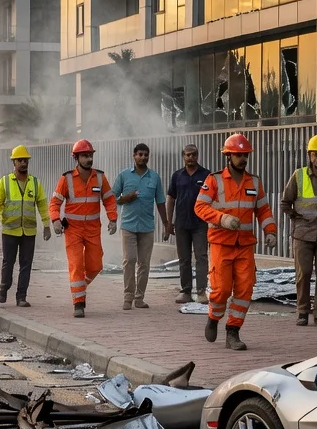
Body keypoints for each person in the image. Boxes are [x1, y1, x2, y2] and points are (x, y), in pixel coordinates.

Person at [195, 134, 277, 351]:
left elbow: (263, 210)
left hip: (245, 245)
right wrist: (222, 219)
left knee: (245, 290)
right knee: (221, 290)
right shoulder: (214, 180)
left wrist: (270, 231)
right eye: (238, 155)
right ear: (228, 156)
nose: (243, 159)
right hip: (221, 244)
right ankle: (214, 317)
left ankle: (233, 331)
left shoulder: (254, 182)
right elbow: (200, 207)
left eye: (245, 155)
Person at [49, 139, 117, 318]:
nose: (89, 159)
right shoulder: (66, 179)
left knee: (96, 265)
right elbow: (54, 203)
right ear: (76, 158)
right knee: (77, 265)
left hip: (93, 229)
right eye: (85, 156)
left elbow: (109, 199)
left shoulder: (100, 177)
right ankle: (78, 303)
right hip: (73, 230)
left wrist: (113, 218)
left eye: (90, 155)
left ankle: (80, 286)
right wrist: (55, 220)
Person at [281, 134, 317, 327]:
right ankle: (302, 312)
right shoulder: (298, 176)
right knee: (304, 273)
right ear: (309, 155)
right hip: (302, 234)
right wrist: (295, 218)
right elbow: (285, 202)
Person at [112, 143, 168, 310]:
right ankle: (128, 297)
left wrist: (166, 224)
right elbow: (112, 198)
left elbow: (160, 202)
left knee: (144, 263)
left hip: (147, 227)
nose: (143, 157)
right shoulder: (124, 175)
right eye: (140, 154)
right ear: (134, 156)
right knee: (129, 260)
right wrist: (126, 198)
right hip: (128, 225)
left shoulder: (154, 177)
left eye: (146, 155)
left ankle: (139, 298)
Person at [0, 145, 51, 307]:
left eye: (25, 160)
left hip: (29, 231)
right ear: (14, 162)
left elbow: (42, 204)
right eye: (20, 160)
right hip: (10, 230)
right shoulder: (5, 181)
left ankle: (21, 296)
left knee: (26, 265)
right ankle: (4, 287)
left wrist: (46, 225)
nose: (23, 163)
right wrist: (2, 219)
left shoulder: (35, 183)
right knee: (8, 262)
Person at [165, 144, 210, 305]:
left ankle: (201, 291)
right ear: (183, 156)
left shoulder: (206, 175)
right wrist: (169, 222)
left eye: (194, 154)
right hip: (181, 224)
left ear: (198, 156)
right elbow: (171, 198)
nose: (191, 157)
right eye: (188, 155)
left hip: (200, 224)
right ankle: (186, 291)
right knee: (184, 259)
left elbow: (213, 198)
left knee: (201, 257)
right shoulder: (177, 175)